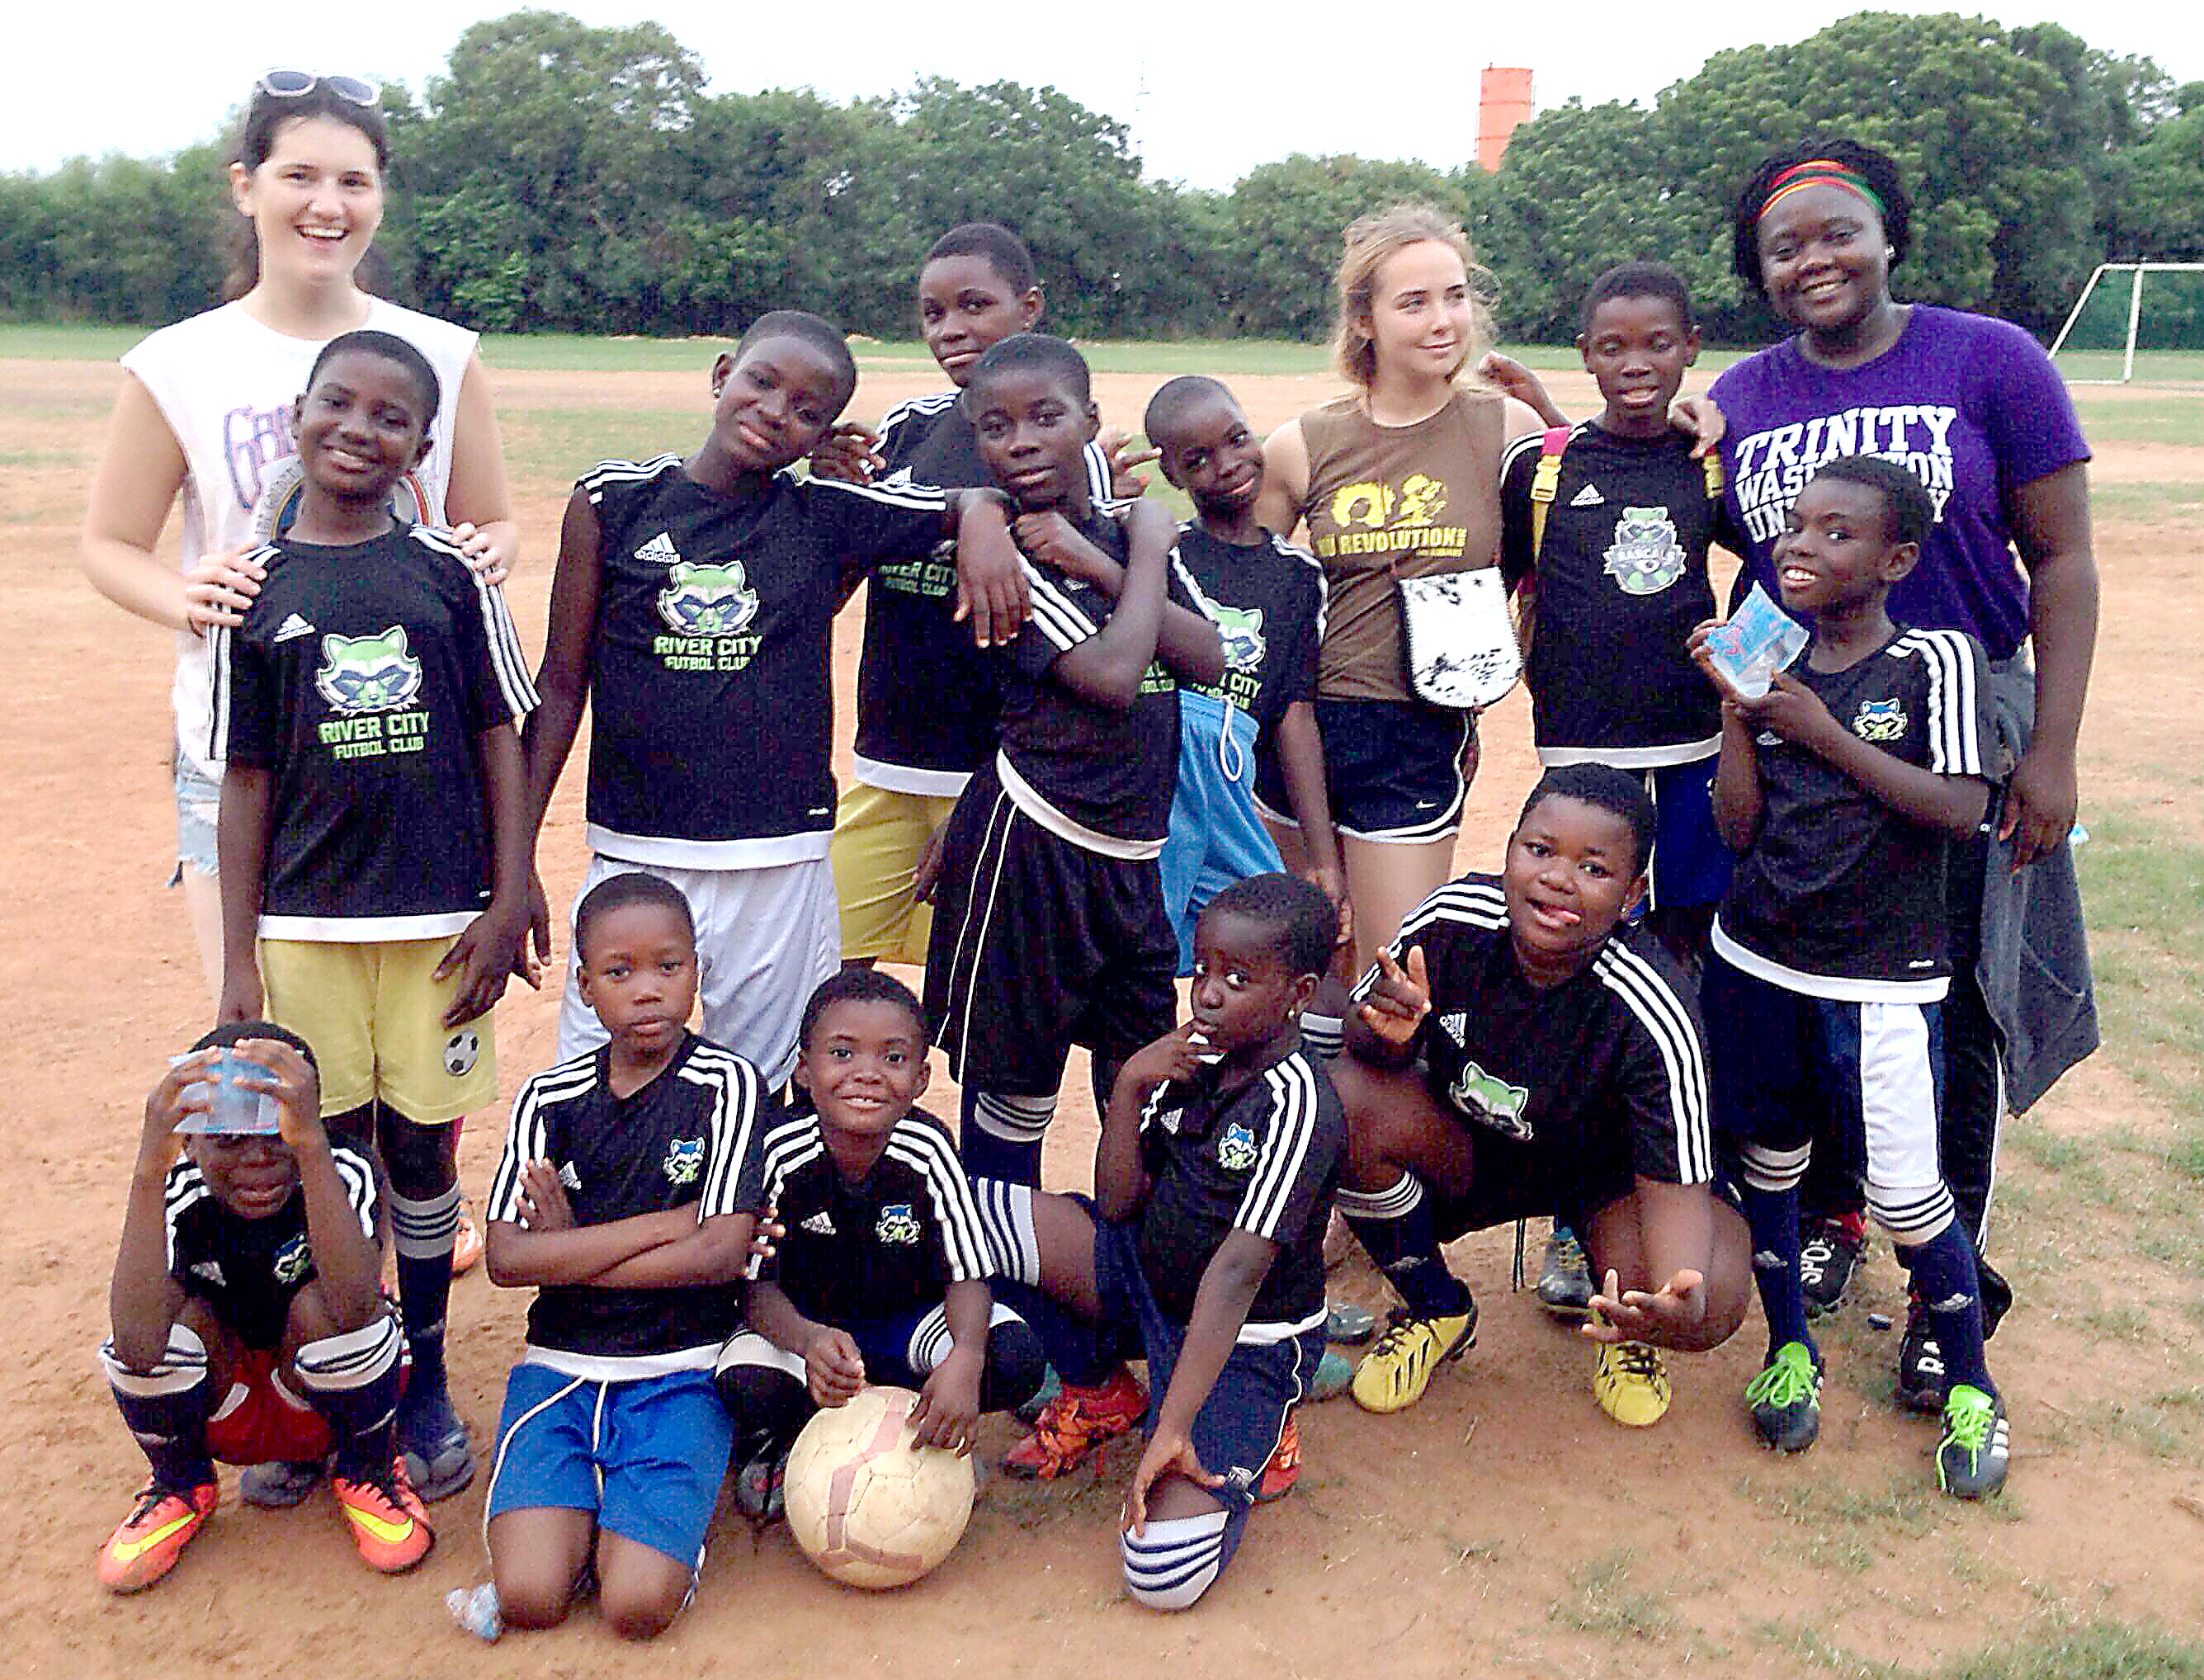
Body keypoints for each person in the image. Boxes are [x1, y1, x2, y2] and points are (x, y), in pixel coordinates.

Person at [1713, 139, 2098, 1386]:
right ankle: (1832, 1214)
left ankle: (1950, 1279)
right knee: (1810, 971)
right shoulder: (1742, 394)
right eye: (1783, 246)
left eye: (1839, 232)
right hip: (1807, 715)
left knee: (1952, 995)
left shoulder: (1990, 358)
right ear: (1759, 271)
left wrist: (2049, 748)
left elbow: (2061, 558)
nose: (1813, 259)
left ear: (1888, 236)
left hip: (1960, 719)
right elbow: (1734, 554)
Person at [78, 71, 517, 998]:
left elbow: (492, 522)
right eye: (300, 177)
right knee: (266, 1040)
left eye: (354, 182)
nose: (328, 205)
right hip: (245, 756)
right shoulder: (178, 362)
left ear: (380, 199)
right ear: (247, 187)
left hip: (411, 752)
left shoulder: (442, 354)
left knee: (416, 1048)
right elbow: (109, 544)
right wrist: (189, 597)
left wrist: (494, 550)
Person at [519, 310, 1029, 1092]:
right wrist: (516, 860)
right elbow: (559, 686)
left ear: (823, 434)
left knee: (759, 1090)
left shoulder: (823, 515)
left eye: (806, 410)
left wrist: (984, 519)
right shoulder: (613, 501)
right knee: (598, 1084)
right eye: (761, 383)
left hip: (778, 861)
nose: (774, 411)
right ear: (722, 374)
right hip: (634, 849)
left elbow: (969, 501)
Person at [209, 329, 539, 1503]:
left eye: (389, 416)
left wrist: (509, 893)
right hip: (305, 932)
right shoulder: (255, 591)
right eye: (337, 404)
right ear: (299, 414)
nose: (358, 429)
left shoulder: (450, 574)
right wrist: (239, 961)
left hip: (440, 926)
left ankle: (428, 1375)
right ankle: (341, 1379)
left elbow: (500, 734)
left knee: (421, 1150)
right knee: (326, 1156)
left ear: (421, 443)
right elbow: (246, 781)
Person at [1689, 455, 2008, 1498]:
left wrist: (1820, 732)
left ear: (1896, 559)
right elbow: (1738, 830)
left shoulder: (1932, 659)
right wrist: (1737, 712)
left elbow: (1960, 809)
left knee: (1909, 1197)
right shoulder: (1771, 658)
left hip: (1879, 980)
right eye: (1794, 525)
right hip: (1757, 959)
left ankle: (1971, 1386)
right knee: (1770, 1164)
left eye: (1837, 532)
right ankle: (1790, 1344)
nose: (1801, 545)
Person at [1329, 766, 1751, 1427]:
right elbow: (1361, 1041)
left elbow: (1675, 1185)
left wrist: (1673, 1302)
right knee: (1340, 1103)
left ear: (1632, 895)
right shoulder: (1450, 922)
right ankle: (1435, 1306)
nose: (1557, 878)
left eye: (1593, 868)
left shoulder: (1653, 1005)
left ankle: (1622, 1327)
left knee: (1711, 1292)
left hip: (1605, 1180)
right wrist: (1389, 1035)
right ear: (1508, 852)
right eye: (1539, 850)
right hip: (1470, 1146)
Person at [975, 875, 1344, 1611]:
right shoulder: (1192, 1060)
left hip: (1243, 1339)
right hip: (1146, 1282)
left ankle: (1260, 1425)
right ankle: (1101, 1391)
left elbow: (1237, 1274)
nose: (1206, 994)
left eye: (1237, 979)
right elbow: (1118, 1205)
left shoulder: (1298, 1103)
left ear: (1298, 994)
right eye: (1201, 969)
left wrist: (1171, 1430)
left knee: (1160, 1572)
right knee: (970, 1217)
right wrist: (1129, 1090)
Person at [920, 333, 1225, 1186]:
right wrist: (1149, 552)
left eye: (1045, 418)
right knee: (1013, 1091)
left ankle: (1126, 1256)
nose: (1021, 442)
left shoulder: (1114, 534)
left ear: (1090, 420)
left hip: (1131, 858)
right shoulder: (1002, 554)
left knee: (1144, 1083)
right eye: (996, 428)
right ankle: (1000, 1257)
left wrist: (1107, 557)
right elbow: (1116, 677)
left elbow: (1209, 657)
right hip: (1031, 849)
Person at [1252, 205, 1546, 1014]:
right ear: (1364, 320)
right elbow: (1245, 588)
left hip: (1415, 732)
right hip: (1302, 735)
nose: (1442, 319)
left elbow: (1549, 556)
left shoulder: (1505, 428)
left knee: (1390, 979)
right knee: (1305, 978)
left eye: (1454, 296)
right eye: (1413, 302)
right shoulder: (1301, 444)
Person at [828, 223, 1122, 970]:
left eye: (974, 305)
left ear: (1030, 308)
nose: (950, 330)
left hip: (1001, 778)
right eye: (933, 314)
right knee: (828, 969)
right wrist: (833, 496)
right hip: (890, 760)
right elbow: (838, 577)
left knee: (971, 984)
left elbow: (1084, 631)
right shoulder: (906, 431)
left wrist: (991, 785)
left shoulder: (1064, 453)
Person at [481, 871, 765, 1640]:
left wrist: (566, 1250)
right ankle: (592, 1524)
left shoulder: (726, 1084)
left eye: (669, 967)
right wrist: (665, 1225)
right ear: (584, 987)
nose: (647, 990)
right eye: (619, 971)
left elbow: (719, 1255)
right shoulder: (549, 1097)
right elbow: (505, 1259)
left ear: (696, 972)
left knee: (636, 1607)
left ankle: (637, 1534)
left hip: (681, 1369)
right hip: (559, 1370)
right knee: (529, 1600)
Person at [97, 1022, 430, 1594]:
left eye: (279, 1133)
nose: (258, 1158)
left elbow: (356, 1310)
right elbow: (137, 1346)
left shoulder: (342, 1168)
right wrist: (149, 1170)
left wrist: (311, 1149)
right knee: (163, 1331)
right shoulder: (179, 1190)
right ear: (190, 1141)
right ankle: (180, 1483)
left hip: (326, 1403)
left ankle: (368, 1469)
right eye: (228, 1139)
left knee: (330, 1314)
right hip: (229, 1402)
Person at [714, 969, 1046, 1514]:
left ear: (920, 1078)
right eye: (842, 1054)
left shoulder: (929, 1148)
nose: (867, 1074)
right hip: (809, 1333)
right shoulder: (778, 1152)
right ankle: (784, 1440)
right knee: (744, 1378)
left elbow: (967, 1273)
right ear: (803, 1069)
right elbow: (754, 1291)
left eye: (893, 1058)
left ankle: (924, 1430)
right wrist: (807, 1340)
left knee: (1012, 1358)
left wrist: (964, 1359)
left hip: (903, 1328)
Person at [1144, 375, 1347, 974]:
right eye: (1198, 460)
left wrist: (1321, 857)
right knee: (1146, 943)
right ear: (1172, 475)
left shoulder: (1298, 575)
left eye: (1237, 440)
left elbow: (1293, 714)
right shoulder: (1161, 553)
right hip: (1164, 778)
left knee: (1260, 944)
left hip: (1235, 787)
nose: (1228, 465)